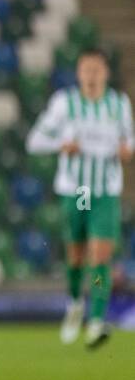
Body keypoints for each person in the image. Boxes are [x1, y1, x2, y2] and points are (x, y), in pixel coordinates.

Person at [26, 49, 133, 348]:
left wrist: (128, 151)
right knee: (76, 255)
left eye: (97, 70)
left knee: (100, 256)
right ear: (78, 73)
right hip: (75, 190)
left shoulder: (118, 104)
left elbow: (130, 139)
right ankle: (75, 303)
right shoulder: (65, 103)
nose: (92, 75)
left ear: (105, 73)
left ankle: (97, 319)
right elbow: (34, 140)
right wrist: (62, 144)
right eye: (86, 70)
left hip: (105, 191)